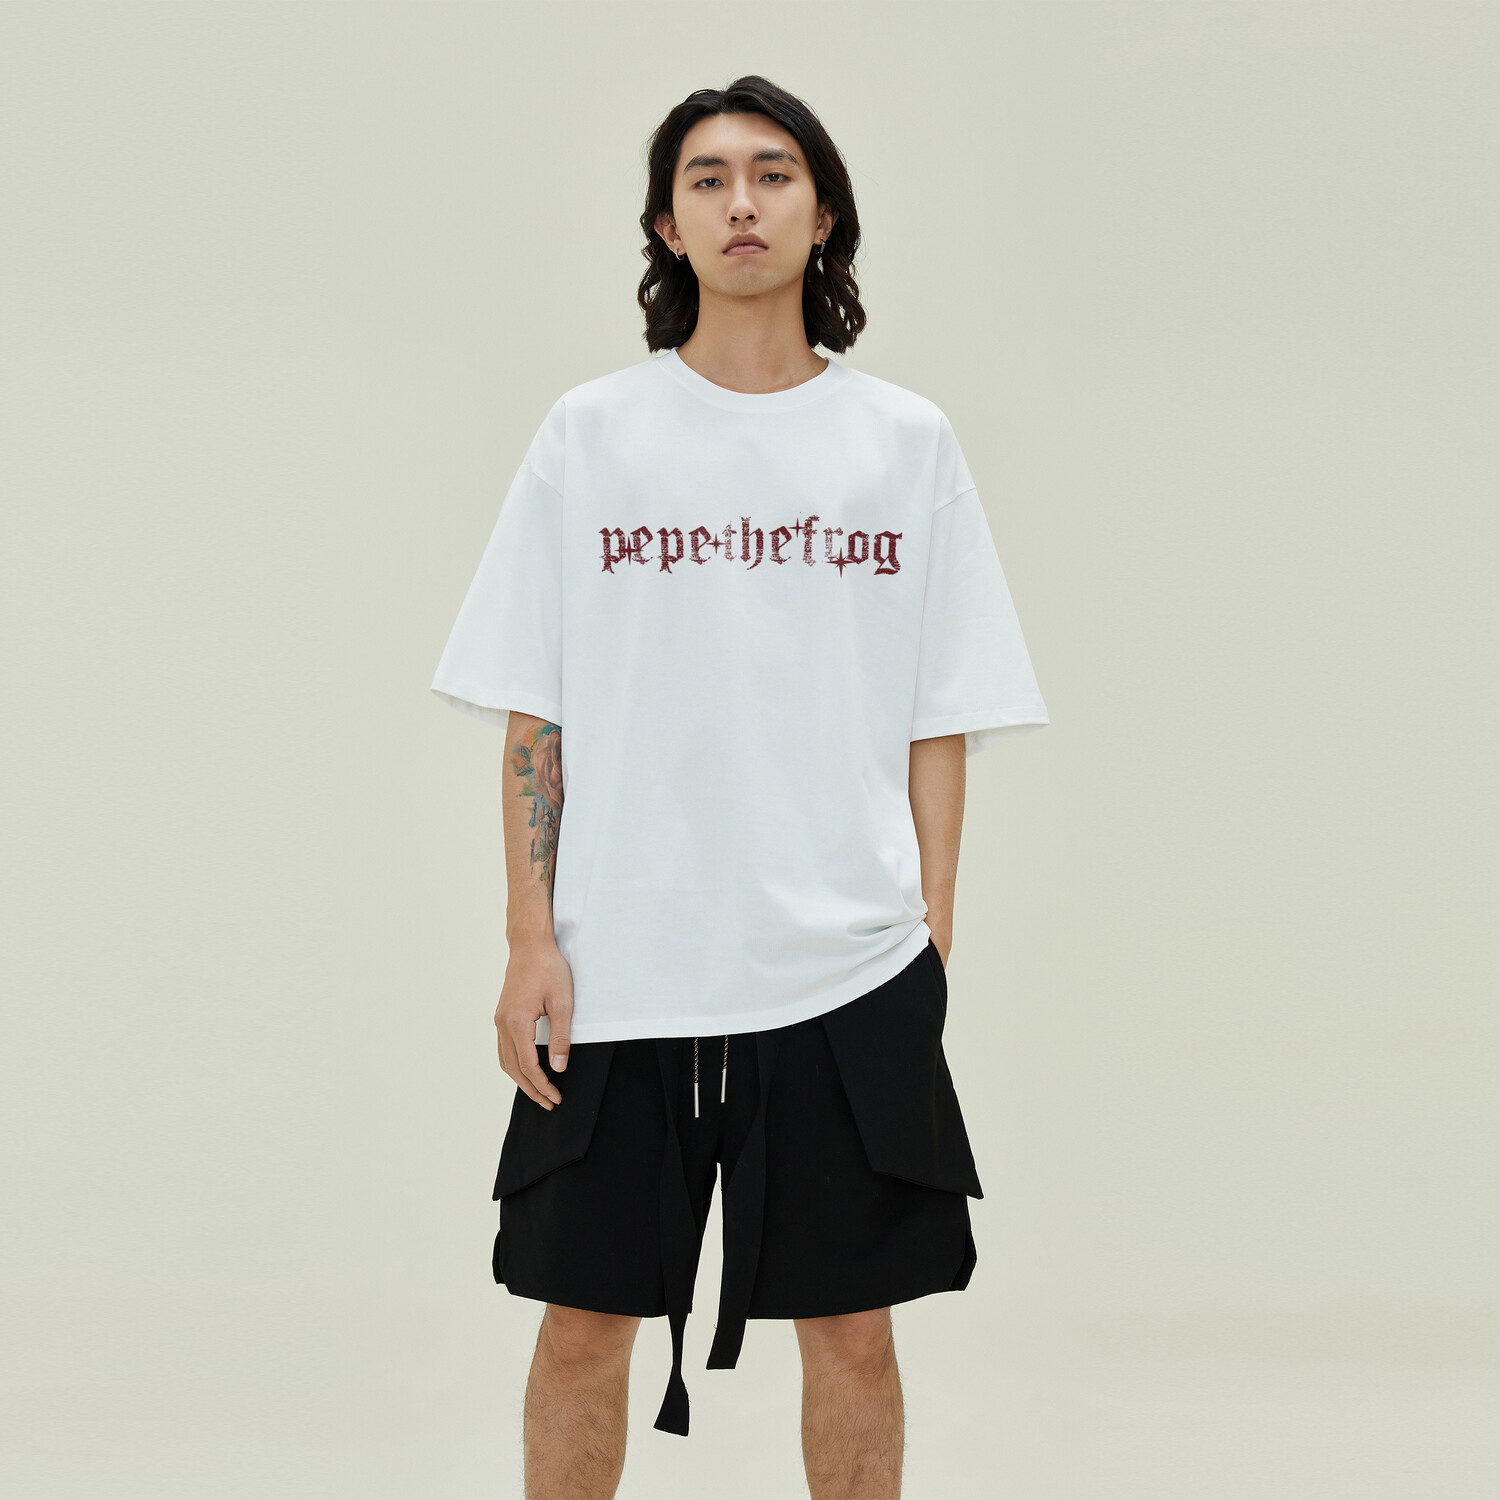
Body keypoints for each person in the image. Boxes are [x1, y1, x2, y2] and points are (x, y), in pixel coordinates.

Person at [431, 75, 1049, 1500]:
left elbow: (941, 716)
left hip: (847, 964)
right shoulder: (591, 433)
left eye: (774, 175)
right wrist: (529, 937)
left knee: (854, 1333)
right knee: (580, 1327)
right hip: (619, 962)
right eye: (706, 180)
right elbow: (535, 711)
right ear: (668, 225)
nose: (741, 203)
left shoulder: (906, 441)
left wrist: (930, 928)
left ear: (824, 215)